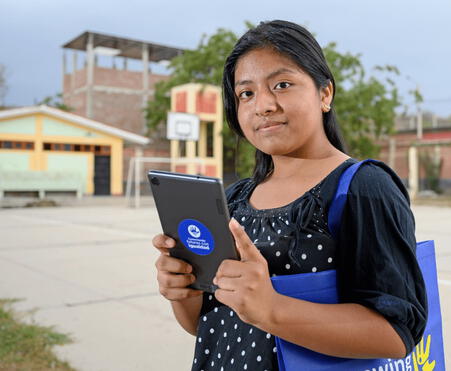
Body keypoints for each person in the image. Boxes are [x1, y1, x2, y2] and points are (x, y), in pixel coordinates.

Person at [152, 20, 426, 371]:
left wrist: (273, 309)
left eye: (281, 84)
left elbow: (397, 333)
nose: (262, 105)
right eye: (246, 93)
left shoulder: (363, 187)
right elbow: (208, 327)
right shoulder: (233, 199)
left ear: (325, 93)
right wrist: (183, 293)